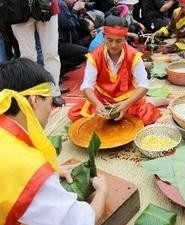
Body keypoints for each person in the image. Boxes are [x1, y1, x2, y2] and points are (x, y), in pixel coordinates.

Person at [0, 58, 108, 225]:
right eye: (50, 101)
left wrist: (54, 170)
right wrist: (102, 191)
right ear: (34, 100)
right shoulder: (27, 167)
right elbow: (82, 221)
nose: (51, 110)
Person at [68, 15, 160, 125]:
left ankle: (150, 102)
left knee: (145, 117)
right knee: (75, 115)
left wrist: (125, 104)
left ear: (125, 38)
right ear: (103, 37)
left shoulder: (133, 56)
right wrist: (97, 104)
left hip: (127, 99)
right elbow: (87, 86)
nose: (113, 45)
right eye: (109, 40)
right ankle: (145, 102)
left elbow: (144, 85)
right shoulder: (95, 56)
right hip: (102, 99)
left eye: (119, 41)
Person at [11, 0, 65, 107]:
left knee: (51, 53)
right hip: (18, 7)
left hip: (46, 5)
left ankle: (54, 92)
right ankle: (32, 93)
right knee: (27, 57)